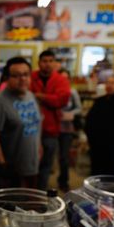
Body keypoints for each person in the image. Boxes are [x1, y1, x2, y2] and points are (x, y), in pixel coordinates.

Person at [0, 56, 41, 190]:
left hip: (32, 165)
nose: (22, 79)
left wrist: (39, 147)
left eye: (26, 74)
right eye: (16, 75)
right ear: (6, 78)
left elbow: (36, 124)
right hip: (13, 172)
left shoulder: (30, 96)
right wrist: (3, 167)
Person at [30, 50, 71, 190]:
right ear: (39, 63)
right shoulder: (30, 77)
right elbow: (25, 95)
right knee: (29, 163)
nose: (47, 64)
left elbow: (62, 100)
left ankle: (40, 195)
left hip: (50, 130)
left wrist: (41, 97)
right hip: (29, 129)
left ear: (54, 63)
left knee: (45, 165)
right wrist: (51, 97)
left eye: (50, 61)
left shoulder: (61, 80)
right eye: (44, 61)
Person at [57, 68, 82, 192]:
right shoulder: (54, 91)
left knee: (64, 157)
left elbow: (79, 108)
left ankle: (63, 181)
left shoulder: (72, 92)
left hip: (66, 128)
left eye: (66, 78)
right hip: (53, 127)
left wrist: (70, 113)